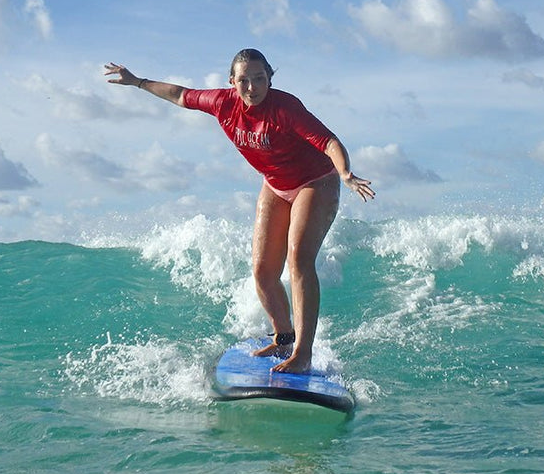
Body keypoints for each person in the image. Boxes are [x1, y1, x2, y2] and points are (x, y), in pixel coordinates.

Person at [104, 49, 374, 373]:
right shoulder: (222, 103)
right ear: (231, 81)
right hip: (275, 185)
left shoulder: (286, 107)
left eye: (259, 79)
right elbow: (179, 95)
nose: (252, 87)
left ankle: (303, 354)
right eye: (244, 80)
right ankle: (283, 338)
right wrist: (137, 82)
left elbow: (329, 142)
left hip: (316, 182)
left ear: (270, 78)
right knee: (262, 271)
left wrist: (345, 173)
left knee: (299, 259)